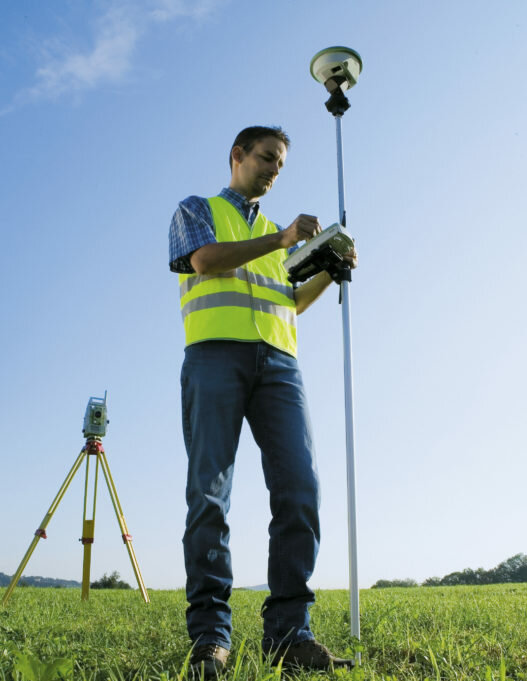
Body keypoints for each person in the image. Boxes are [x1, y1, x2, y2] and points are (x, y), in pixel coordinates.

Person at [168, 125, 357, 678]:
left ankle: (289, 634)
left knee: (300, 488)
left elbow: (290, 300)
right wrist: (280, 243)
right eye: (268, 158)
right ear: (238, 156)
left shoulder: (280, 237)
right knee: (210, 493)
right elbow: (205, 262)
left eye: (281, 164)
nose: (274, 169)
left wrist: (328, 270)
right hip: (214, 357)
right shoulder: (196, 209)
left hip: (279, 364)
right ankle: (210, 637)